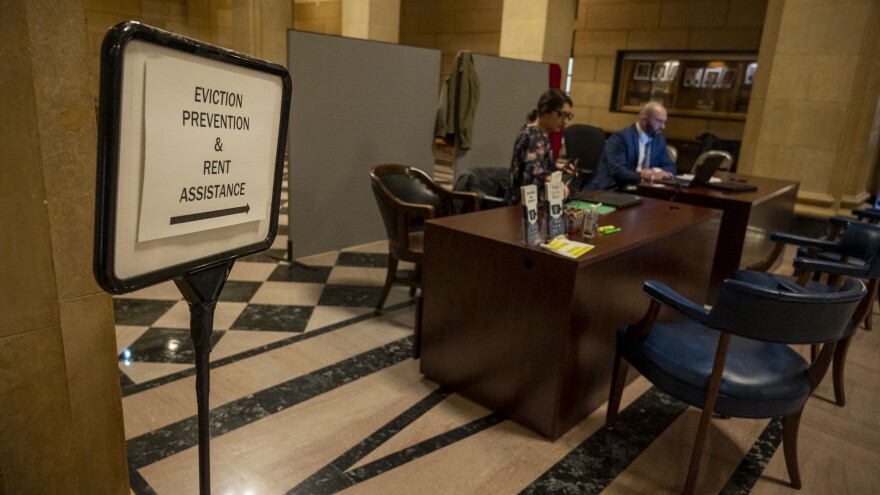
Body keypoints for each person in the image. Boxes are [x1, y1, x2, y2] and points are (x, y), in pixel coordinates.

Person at [583, 102, 676, 192]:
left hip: (640, 190)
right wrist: (648, 176)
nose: (663, 127)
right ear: (644, 120)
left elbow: (670, 166)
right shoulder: (621, 138)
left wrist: (652, 171)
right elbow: (618, 172)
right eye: (659, 121)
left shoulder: (659, 140)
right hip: (610, 190)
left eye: (664, 122)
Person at [507, 89, 573, 204]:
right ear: (546, 110)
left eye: (568, 116)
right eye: (561, 114)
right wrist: (558, 185)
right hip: (525, 208)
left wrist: (555, 164)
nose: (565, 121)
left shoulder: (528, 129)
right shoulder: (538, 137)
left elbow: (530, 159)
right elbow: (534, 169)